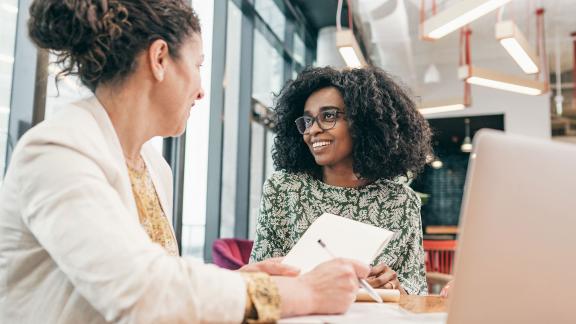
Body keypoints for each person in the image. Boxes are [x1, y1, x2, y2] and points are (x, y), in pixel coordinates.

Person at [0, 1, 370, 323]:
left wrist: (244, 280)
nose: (201, 89)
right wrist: (305, 293)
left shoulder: (152, 164)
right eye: (198, 64)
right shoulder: (56, 151)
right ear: (159, 58)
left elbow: (158, 276)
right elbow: (141, 295)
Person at [250, 66, 433, 295]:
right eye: (307, 121)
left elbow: (418, 291)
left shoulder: (401, 201)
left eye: (328, 116)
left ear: (364, 123)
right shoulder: (284, 189)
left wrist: (395, 287)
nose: (312, 131)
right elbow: (258, 280)